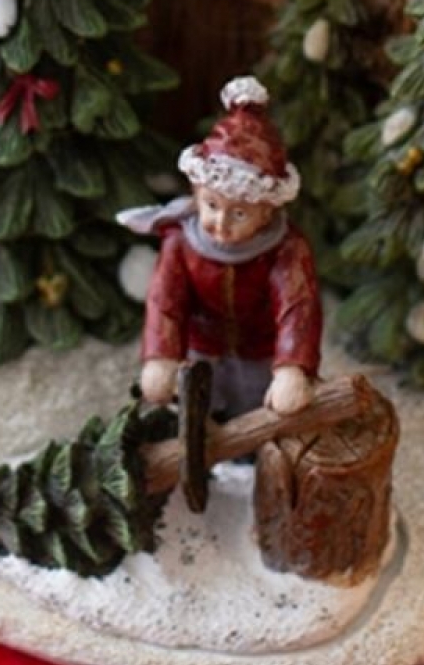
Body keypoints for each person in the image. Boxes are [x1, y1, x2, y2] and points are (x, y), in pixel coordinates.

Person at [118, 76, 322, 419]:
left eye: (239, 213)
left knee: (262, 414)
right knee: (197, 408)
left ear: (267, 211)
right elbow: (165, 302)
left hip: (261, 353)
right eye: (211, 205)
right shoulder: (181, 242)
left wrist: (292, 368)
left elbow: (298, 309)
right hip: (201, 350)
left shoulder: (285, 249)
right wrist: (161, 357)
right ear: (196, 194)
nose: (222, 223)